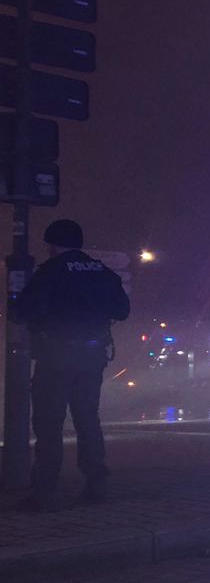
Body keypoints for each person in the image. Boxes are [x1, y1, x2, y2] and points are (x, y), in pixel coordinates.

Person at [13, 219, 130, 512]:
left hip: (56, 356)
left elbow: (24, 310)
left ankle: (44, 491)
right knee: (88, 420)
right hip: (91, 358)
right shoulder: (102, 271)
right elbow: (122, 310)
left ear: (52, 244)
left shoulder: (50, 272)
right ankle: (96, 483)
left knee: (48, 423)